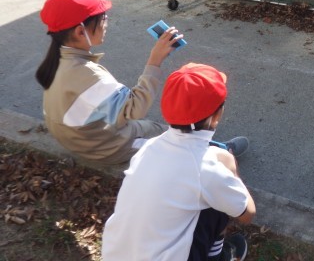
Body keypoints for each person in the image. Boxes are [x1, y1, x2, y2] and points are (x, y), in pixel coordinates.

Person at [36, 0, 248, 166]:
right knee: (178, 142)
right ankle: (220, 153)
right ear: (80, 31)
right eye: (102, 18)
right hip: (107, 147)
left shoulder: (58, 60)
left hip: (82, 139)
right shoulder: (87, 74)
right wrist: (154, 60)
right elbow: (136, 108)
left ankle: (200, 145)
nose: (106, 21)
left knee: (159, 129)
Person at [102, 63, 255, 260]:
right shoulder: (207, 169)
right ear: (217, 115)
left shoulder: (149, 147)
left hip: (115, 254)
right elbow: (247, 214)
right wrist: (230, 167)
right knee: (218, 201)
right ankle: (217, 256)